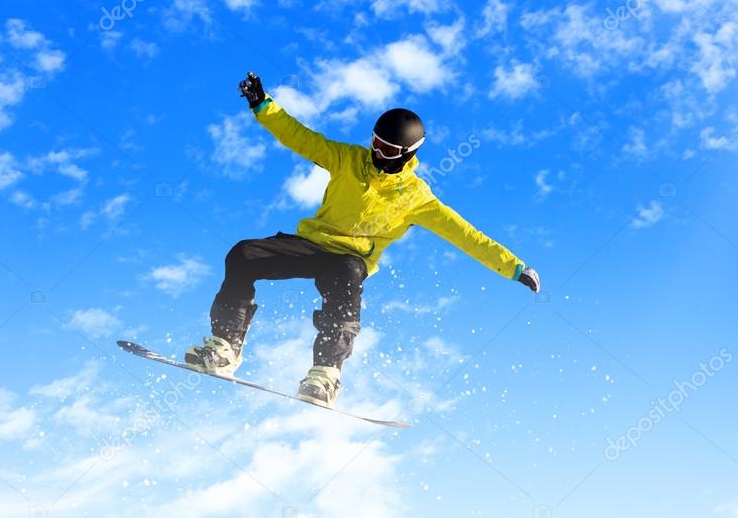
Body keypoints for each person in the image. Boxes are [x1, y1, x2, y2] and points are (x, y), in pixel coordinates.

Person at [185, 71, 540, 407]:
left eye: (388, 150)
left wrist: (514, 267)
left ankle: (325, 374)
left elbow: (466, 235)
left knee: (348, 275)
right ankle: (225, 347)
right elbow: (300, 137)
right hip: (313, 244)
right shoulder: (347, 159)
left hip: (348, 260)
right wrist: (263, 105)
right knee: (243, 254)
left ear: (407, 154)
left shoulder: (417, 198)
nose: (377, 153)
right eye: (375, 143)